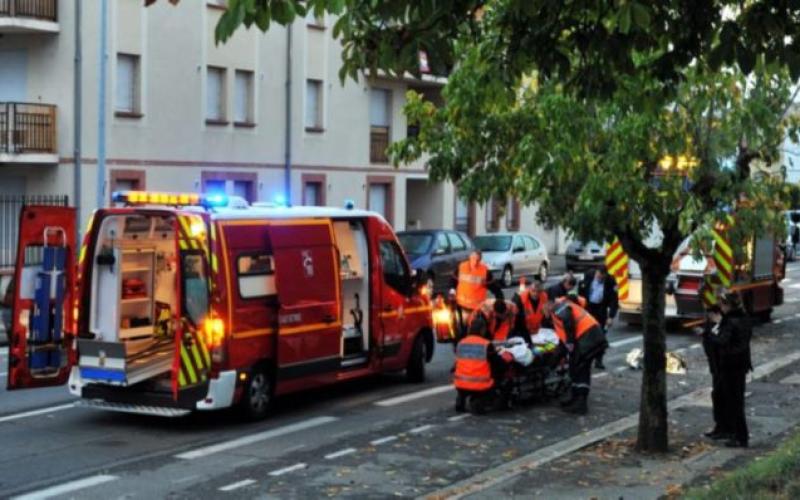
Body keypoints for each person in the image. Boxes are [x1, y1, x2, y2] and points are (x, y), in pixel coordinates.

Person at [705, 290, 753, 448]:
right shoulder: (741, 318)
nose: (720, 307)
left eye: (722, 304)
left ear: (728, 305)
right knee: (724, 397)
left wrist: (712, 331)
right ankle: (729, 431)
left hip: (731, 365)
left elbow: (722, 341)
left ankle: (739, 436)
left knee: (734, 402)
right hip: (735, 365)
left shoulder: (732, 321)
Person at [545, 297, 607, 415]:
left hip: (589, 338)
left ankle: (580, 403)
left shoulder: (558, 308)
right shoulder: (560, 311)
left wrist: (570, 342)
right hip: (591, 337)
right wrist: (552, 364)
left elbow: (568, 323)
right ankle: (575, 399)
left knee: (581, 369)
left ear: (548, 306)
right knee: (576, 368)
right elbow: (562, 345)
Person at [453, 316, 505, 412]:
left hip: (460, 383)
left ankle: (462, 397)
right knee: (499, 372)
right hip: (481, 384)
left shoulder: (461, 343)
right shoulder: (486, 344)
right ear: (482, 330)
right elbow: (497, 364)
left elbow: (456, 364)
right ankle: (480, 400)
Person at [578, 268, 619, 370]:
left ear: (605, 276)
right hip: (588, 308)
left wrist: (611, 317)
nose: (599, 278)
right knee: (585, 335)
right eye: (598, 276)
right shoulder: (588, 275)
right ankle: (584, 359)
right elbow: (581, 291)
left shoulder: (611, 281)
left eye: (602, 278)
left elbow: (614, 300)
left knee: (600, 336)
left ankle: (598, 361)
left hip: (601, 310)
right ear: (596, 273)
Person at [451, 250, 492, 339]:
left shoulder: (484, 270)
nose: (475, 262)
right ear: (470, 258)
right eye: (473, 259)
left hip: (476, 308)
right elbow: (453, 279)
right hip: (462, 305)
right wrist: (452, 290)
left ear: (480, 260)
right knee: (461, 330)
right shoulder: (462, 267)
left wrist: (499, 296)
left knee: (473, 332)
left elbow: (492, 285)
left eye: (478, 260)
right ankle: (460, 344)